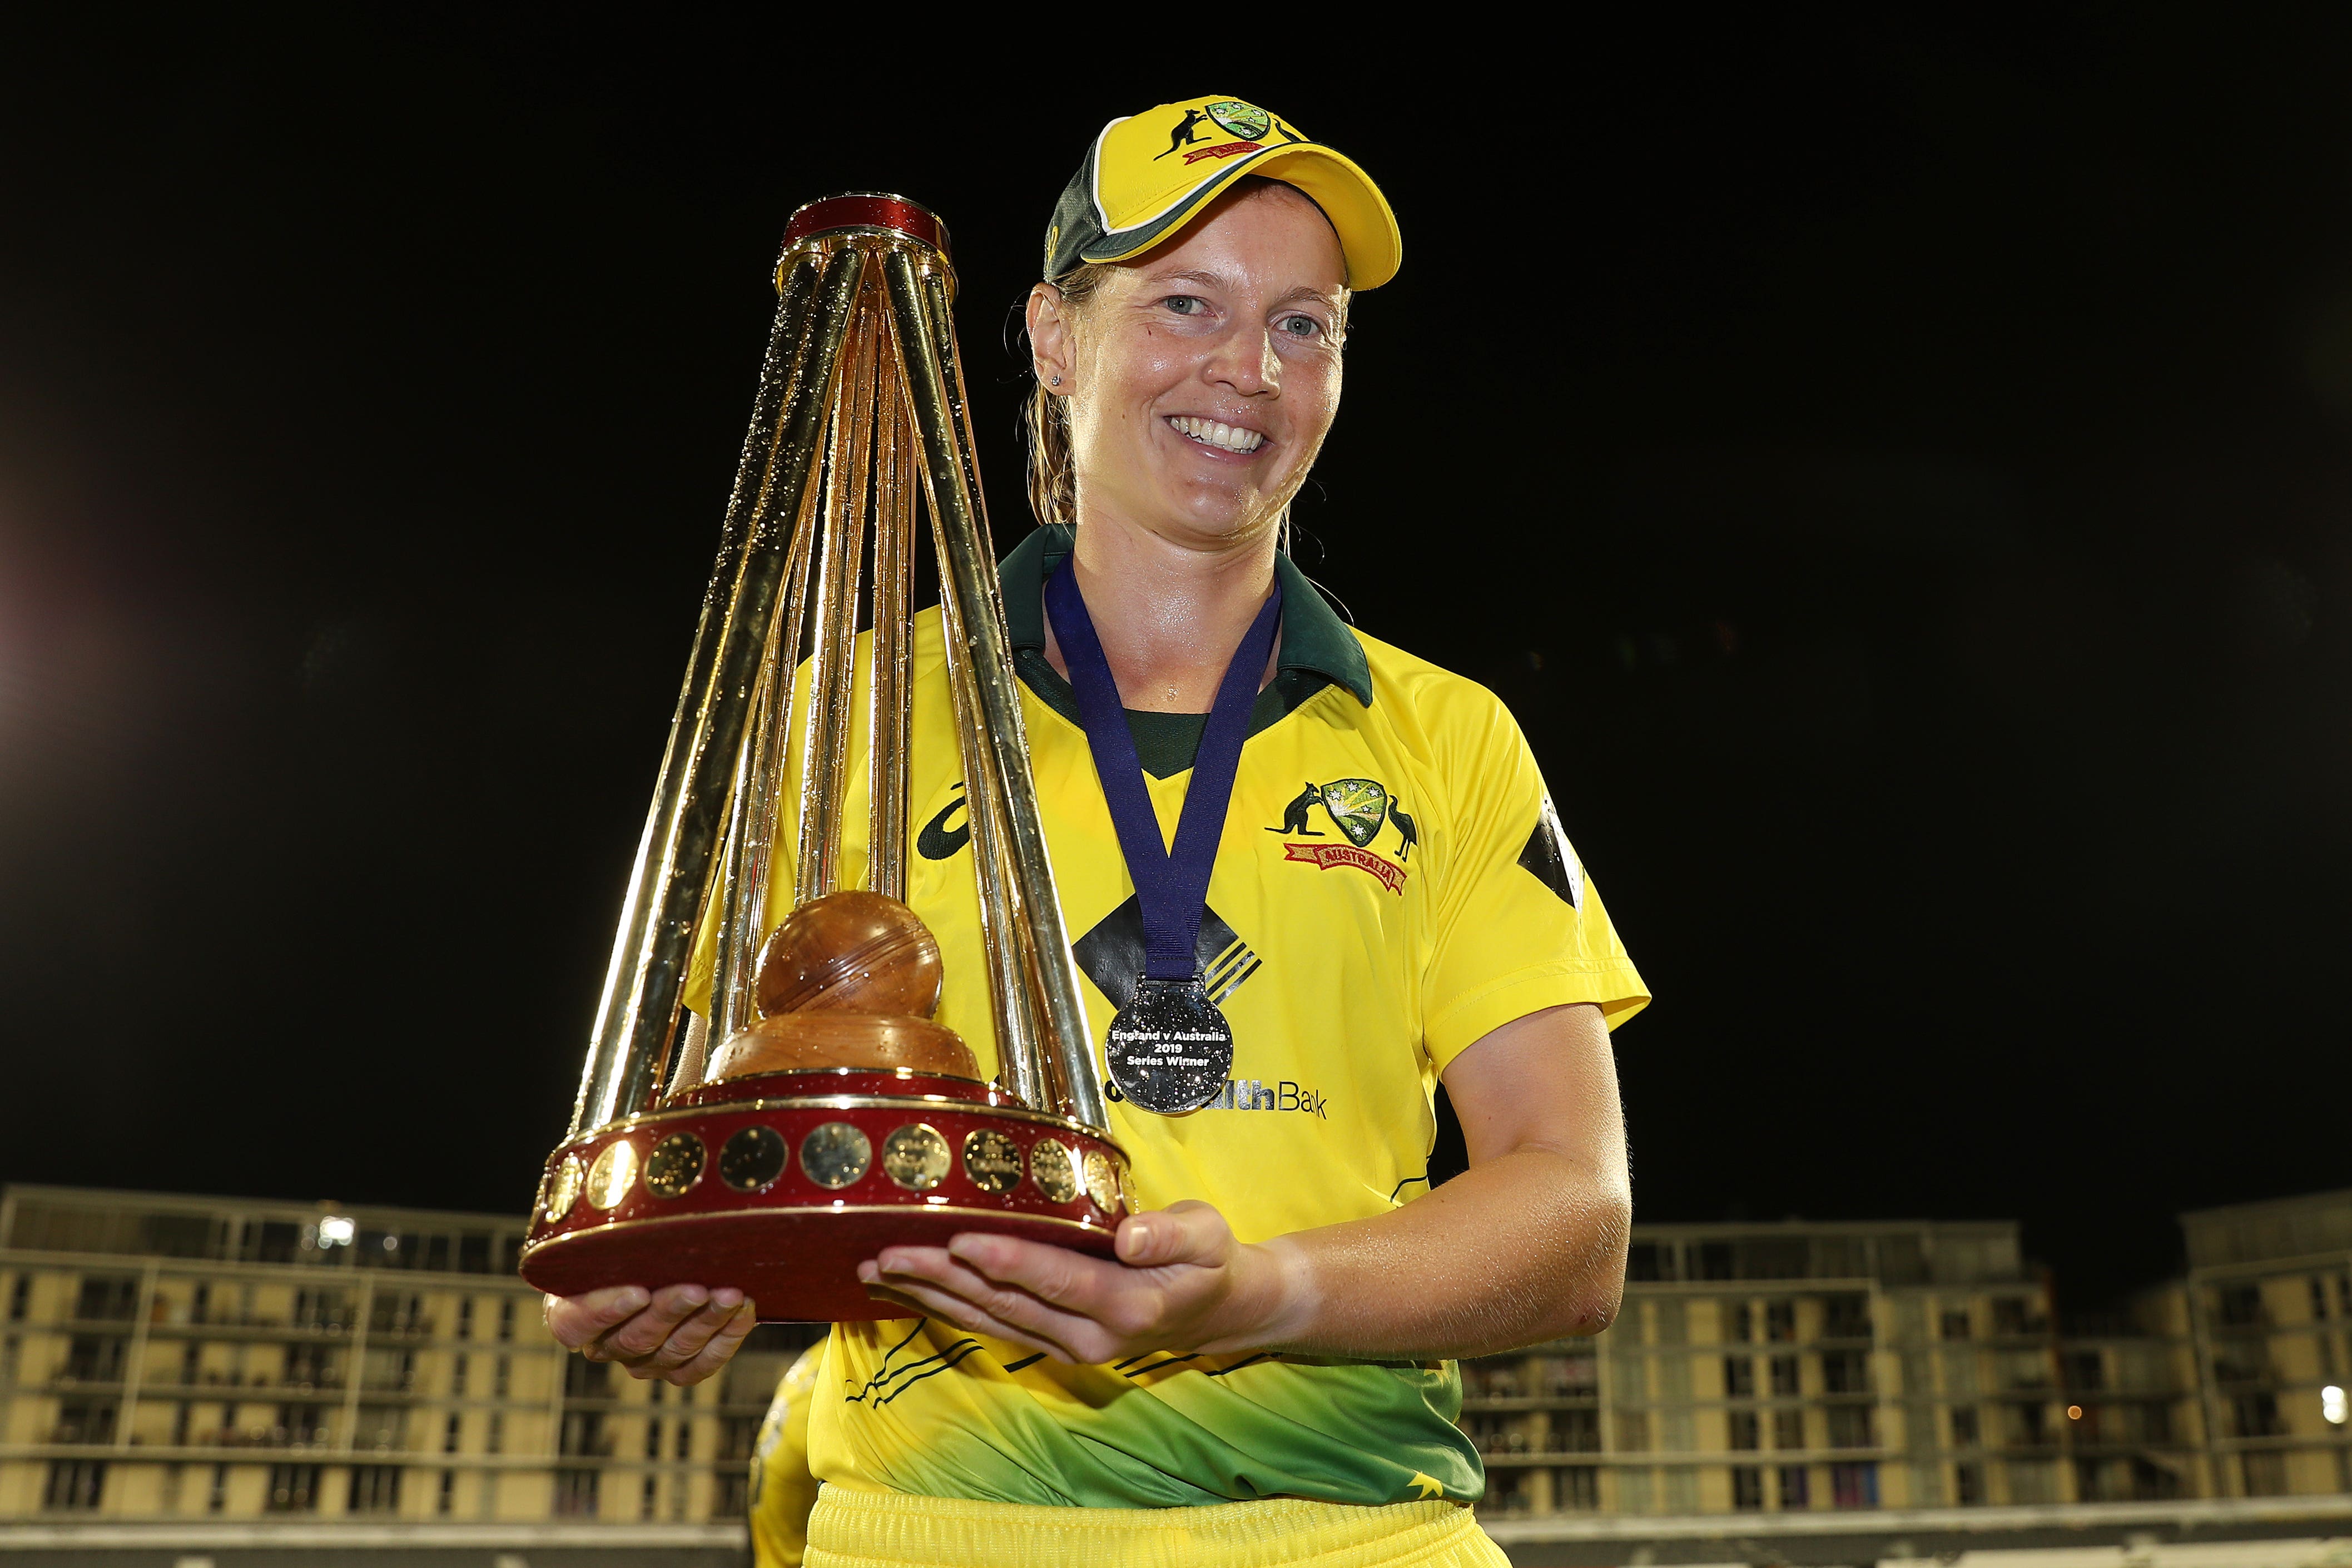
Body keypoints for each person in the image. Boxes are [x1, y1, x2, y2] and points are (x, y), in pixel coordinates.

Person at [547, 95, 1649, 1567]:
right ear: (1057, 336)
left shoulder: (1447, 735)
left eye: (1304, 325)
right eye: (1187, 302)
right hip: (930, 1528)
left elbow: (1576, 1217)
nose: (1249, 372)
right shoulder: (851, 710)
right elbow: (701, 1139)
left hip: (1359, 1531)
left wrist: (1255, 1292)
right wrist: (661, 1272)